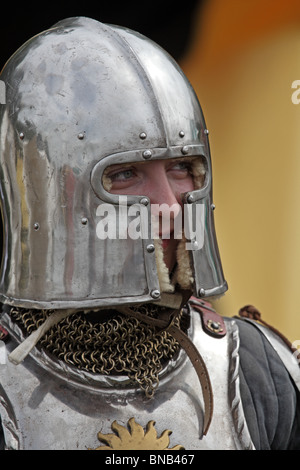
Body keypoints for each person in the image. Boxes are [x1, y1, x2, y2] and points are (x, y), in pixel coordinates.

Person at [0, 16, 299, 451]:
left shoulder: (259, 368)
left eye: (181, 168)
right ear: (53, 191)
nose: (168, 205)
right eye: (124, 174)